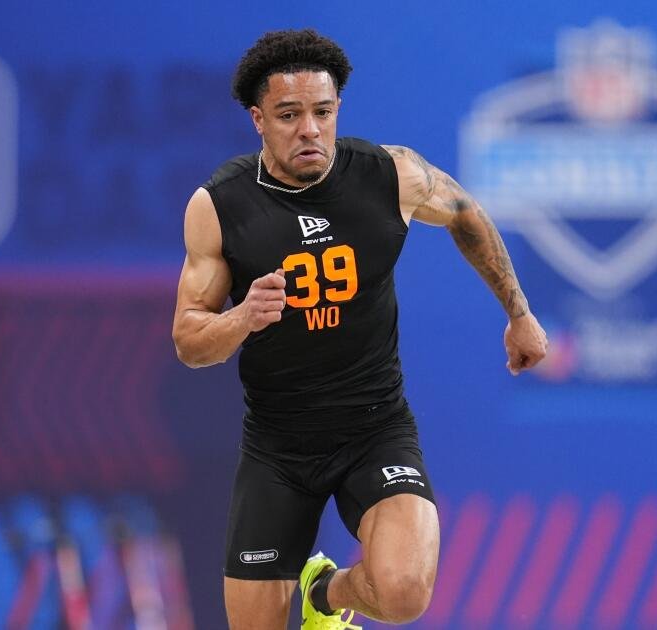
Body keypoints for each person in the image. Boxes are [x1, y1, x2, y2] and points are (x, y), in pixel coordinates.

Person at [172, 29, 548, 629]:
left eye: (322, 113)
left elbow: (465, 212)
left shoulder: (390, 175)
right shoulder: (220, 205)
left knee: (404, 593)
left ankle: (323, 594)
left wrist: (519, 313)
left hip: (375, 430)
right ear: (258, 120)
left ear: (337, 110)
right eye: (288, 115)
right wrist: (243, 316)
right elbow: (190, 342)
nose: (309, 130)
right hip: (277, 447)